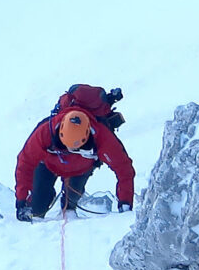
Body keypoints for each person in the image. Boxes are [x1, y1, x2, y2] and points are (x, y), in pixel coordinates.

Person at [15, 83, 135, 220]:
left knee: (70, 204)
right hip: (48, 165)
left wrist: (125, 202)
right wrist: (21, 200)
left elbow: (124, 168)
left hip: (80, 170)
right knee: (36, 209)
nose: (70, 150)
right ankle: (46, 198)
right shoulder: (45, 132)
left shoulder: (103, 137)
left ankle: (68, 207)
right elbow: (25, 162)